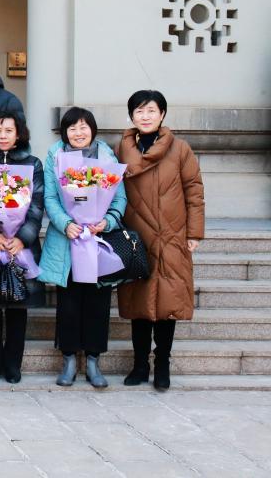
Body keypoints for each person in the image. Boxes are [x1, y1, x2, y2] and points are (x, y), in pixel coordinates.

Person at [116, 90, 204, 391]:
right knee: (138, 304)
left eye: (151, 110)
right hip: (135, 237)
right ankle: (140, 364)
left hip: (171, 236)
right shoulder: (122, 149)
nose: (145, 116)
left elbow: (194, 191)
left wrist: (194, 232)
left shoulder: (180, 149)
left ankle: (162, 363)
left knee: (168, 304)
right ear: (132, 116)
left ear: (162, 114)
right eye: (139, 111)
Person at [39, 107, 127, 389]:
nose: (78, 133)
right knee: (69, 303)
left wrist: (107, 221)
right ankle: (68, 359)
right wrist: (66, 223)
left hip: (97, 240)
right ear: (64, 132)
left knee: (97, 302)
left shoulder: (106, 156)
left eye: (83, 127)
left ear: (93, 129)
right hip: (68, 240)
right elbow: (50, 197)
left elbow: (119, 198)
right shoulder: (55, 155)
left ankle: (92, 360)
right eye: (72, 128)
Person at [0, 110, 44, 384]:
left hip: (20, 247)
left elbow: (36, 204)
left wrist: (22, 237)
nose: (3, 136)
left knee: (17, 307)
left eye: (8, 131)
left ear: (18, 134)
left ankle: (13, 364)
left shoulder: (33, 164)